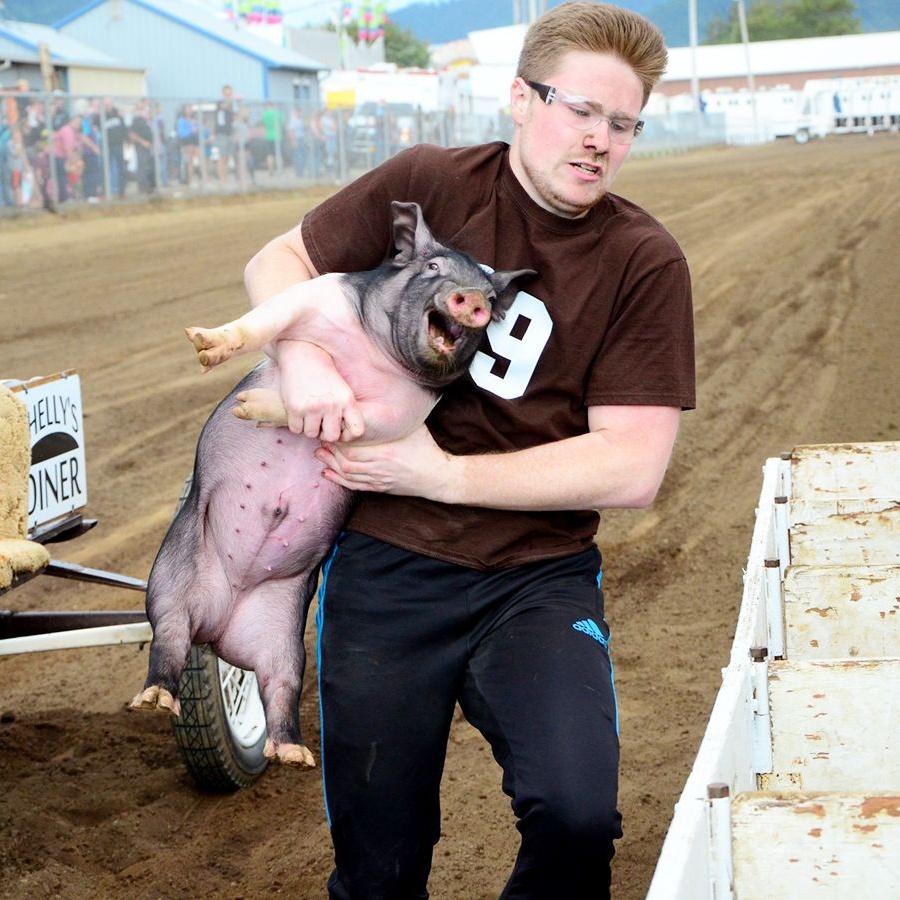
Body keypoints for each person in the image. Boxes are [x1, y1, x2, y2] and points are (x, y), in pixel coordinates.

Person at [243, 3, 695, 898]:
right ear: (521, 99)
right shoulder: (434, 184)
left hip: (536, 575)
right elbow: (279, 263)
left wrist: (441, 473)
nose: (600, 140)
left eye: (623, 122)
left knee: (576, 815)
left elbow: (631, 465)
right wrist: (300, 364)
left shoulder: (644, 260)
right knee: (378, 864)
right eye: (581, 111)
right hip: (386, 569)